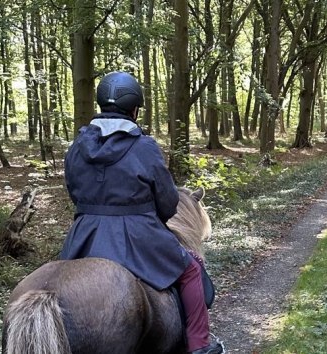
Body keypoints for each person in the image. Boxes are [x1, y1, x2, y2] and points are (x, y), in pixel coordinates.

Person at [60, 71, 223, 354]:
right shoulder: (144, 147)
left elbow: (74, 192)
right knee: (191, 271)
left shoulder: (77, 146)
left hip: (85, 235)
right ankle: (200, 347)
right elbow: (168, 202)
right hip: (139, 235)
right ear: (135, 109)